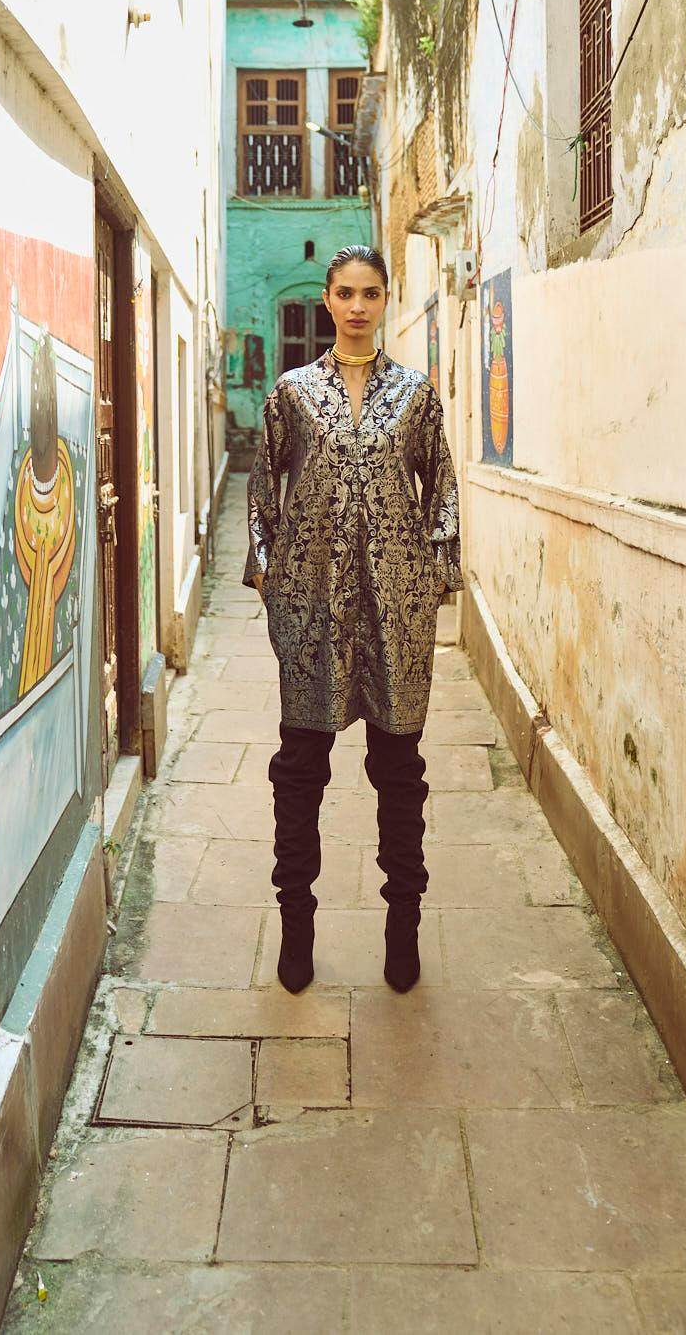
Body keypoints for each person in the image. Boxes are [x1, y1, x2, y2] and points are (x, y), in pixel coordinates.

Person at [244, 244, 462, 994]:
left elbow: (441, 485)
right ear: (329, 300)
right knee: (300, 769)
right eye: (345, 293)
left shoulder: (415, 395)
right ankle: (296, 929)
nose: (358, 306)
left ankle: (403, 930)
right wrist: (272, 575)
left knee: (398, 772)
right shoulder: (293, 393)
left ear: (384, 299)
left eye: (370, 293)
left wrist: (433, 575)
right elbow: (262, 486)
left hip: (395, 610)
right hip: (314, 605)